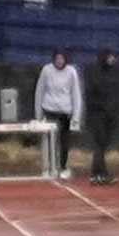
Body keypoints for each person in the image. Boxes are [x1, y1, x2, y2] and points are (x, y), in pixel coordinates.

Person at [34, 50, 83, 180]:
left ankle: (63, 167)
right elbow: (40, 90)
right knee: (49, 140)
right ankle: (48, 167)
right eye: (57, 59)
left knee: (64, 141)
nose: (59, 61)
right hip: (49, 109)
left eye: (61, 59)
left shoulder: (71, 72)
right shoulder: (46, 70)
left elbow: (76, 94)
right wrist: (38, 114)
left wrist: (76, 116)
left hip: (65, 112)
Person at [85, 49, 119, 185]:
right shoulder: (95, 73)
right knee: (99, 144)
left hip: (109, 115)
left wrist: (113, 111)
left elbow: (114, 95)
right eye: (110, 57)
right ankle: (99, 173)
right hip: (97, 114)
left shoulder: (113, 73)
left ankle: (99, 173)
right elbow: (93, 93)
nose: (113, 59)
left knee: (103, 144)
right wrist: (102, 107)